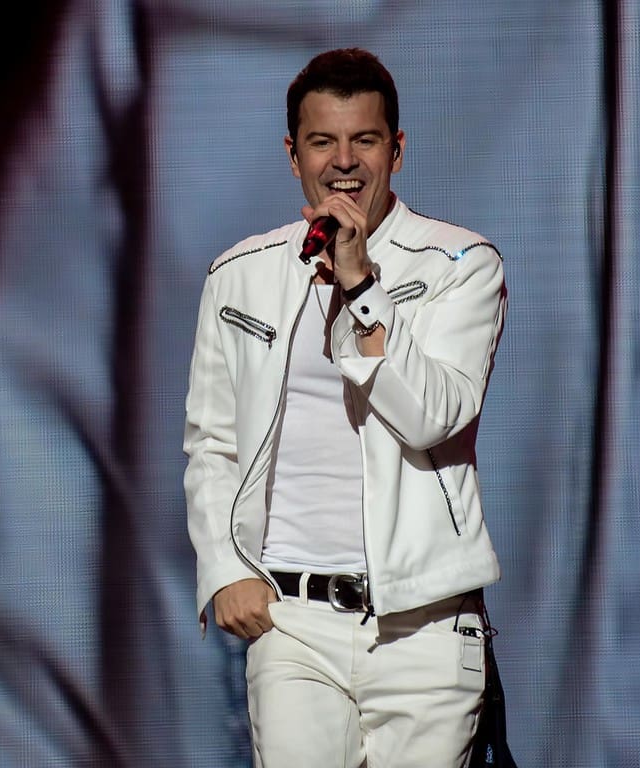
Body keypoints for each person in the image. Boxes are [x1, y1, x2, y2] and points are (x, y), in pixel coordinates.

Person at [183, 47, 507, 767]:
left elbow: (433, 415)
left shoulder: (460, 264)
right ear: (293, 154)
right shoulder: (239, 274)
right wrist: (224, 568)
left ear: (397, 149)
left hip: (424, 628)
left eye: (364, 139)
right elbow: (212, 442)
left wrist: (361, 286)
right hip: (292, 623)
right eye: (323, 141)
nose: (344, 162)